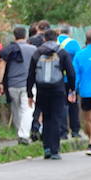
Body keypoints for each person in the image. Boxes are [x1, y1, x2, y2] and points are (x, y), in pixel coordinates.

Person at [26, 30, 76, 160]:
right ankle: (55, 150)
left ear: (44, 39)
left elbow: (31, 74)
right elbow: (71, 73)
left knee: (46, 118)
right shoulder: (62, 52)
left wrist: (29, 93)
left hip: (42, 89)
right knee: (56, 118)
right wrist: (72, 89)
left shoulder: (37, 53)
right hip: (58, 90)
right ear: (56, 39)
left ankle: (46, 148)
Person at [0, 26, 37, 144]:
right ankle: (23, 135)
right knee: (27, 109)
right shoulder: (34, 49)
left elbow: (1, 65)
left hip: (12, 85)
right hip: (28, 84)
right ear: (25, 36)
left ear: (14, 36)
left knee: (16, 109)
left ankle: (20, 132)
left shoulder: (9, 49)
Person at [56, 24, 82, 139]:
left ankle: (62, 132)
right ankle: (75, 130)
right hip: (70, 80)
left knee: (60, 105)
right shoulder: (74, 43)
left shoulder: (54, 42)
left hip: (56, 80)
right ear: (69, 32)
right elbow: (79, 60)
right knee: (73, 104)